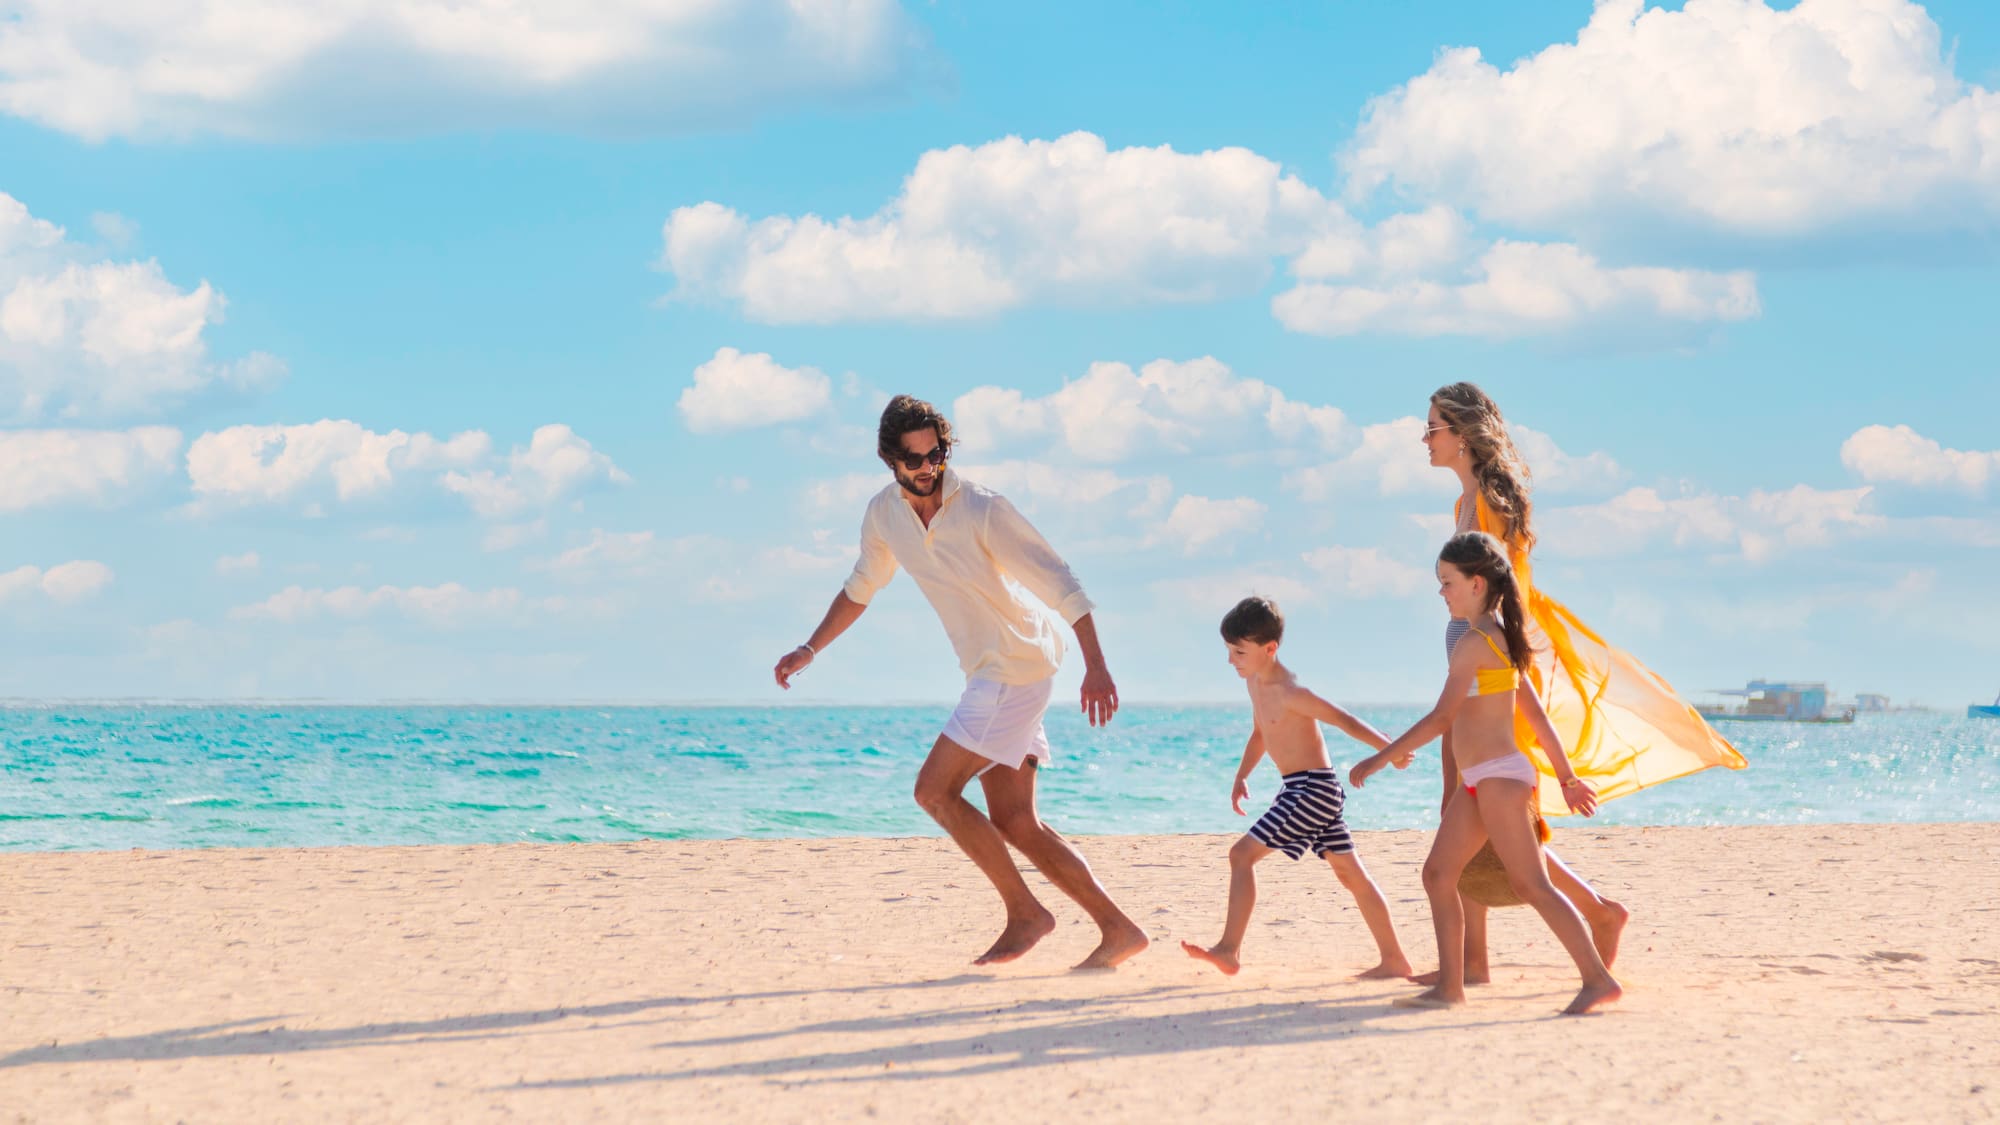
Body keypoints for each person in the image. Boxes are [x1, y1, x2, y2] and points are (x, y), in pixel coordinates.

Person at [772, 394, 1150, 971]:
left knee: (934, 791)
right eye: (913, 459)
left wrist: (1096, 665)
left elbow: (1060, 580)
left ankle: (1026, 913)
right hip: (995, 669)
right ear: (890, 459)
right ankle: (1119, 930)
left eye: (936, 455)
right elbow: (860, 588)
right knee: (1016, 821)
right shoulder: (884, 515)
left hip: (1013, 666)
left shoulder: (981, 507)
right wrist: (810, 648)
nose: (927, 467)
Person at [1351, 533, 1622, 1015]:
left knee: (1532, 885)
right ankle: (1451, 986)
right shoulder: (1497, 637)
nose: (1441, 593)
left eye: (1447, 582)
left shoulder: (1475, 643)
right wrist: (1566, 779)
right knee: (1439, 874)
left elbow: (1442, 718)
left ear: (1476, 584)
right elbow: (1535, 717)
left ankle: (1598, 980)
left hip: (1498, 779)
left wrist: (1379, 757)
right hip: (1484, 778)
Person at [1417, 382, 1633, 981]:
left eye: (1432, 428)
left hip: (1489, 675)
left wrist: (1499, 669)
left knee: (1489, 814)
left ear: (1462, 435)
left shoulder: (1488, 505)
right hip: (1469, 666)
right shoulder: (1463, 506)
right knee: (1465, 807)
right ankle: (1474, 960)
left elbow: (1509, 598)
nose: (1425, 440)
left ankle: (1595, 913)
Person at [1180, 597, 1413, 980]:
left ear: (1270, 648)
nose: (1231, 660)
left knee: (1241, 856)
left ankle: (1228, 950)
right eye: (1228, 650)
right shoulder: (1254, 682)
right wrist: (1241, 776)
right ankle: (1395, 960)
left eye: (1239, 652)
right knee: (1351, 874)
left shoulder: (1292, 691)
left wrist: (1390, 752)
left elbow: (1345, 721)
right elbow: (1261, 732)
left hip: (1312, 789)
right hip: (1302, 788)